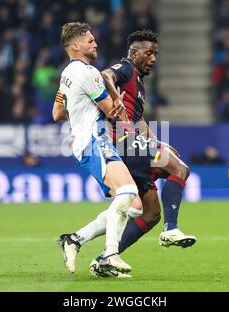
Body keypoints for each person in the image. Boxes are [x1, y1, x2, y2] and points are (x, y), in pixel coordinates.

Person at [55, 30, 197, 277]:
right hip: (118, 140)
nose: (153, 58)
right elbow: (107, 74)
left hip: (122, 141)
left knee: (147, 212)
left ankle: (93, 252)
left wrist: (156, 142)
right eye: (149, 53)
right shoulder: (126, 67)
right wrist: (113, 107)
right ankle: (170, 229)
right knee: (179, 168)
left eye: (156, 54)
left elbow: (58, 112)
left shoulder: (135, 85)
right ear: (134, 52)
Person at [52, 22, 143, 276]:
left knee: (134, 205)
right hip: (94, 139)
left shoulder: (67, 75)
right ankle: (110, 255)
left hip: (86, 141)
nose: (95, 44)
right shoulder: (88, 72)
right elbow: (111, 111)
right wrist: (120, 99)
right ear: (75, 45)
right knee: (127, 191)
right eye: (90, 41)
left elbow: (57, 112)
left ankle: (75, 239)